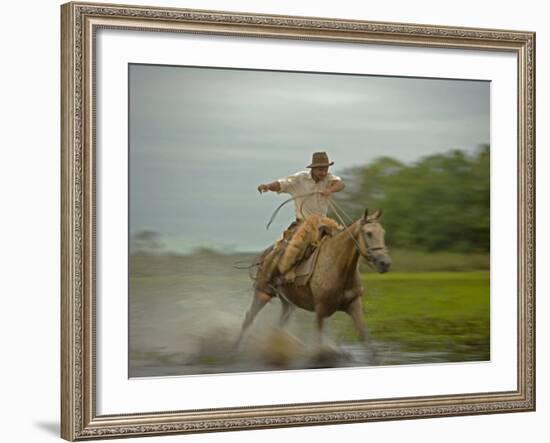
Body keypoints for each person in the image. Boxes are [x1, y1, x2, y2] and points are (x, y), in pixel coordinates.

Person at [254, 152, 345, 300]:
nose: (323, 172)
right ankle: (271, 284)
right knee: (284, 250)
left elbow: (340, 184)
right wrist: (268, 186)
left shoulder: (329, 179)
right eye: (320, 169)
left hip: (324, 225)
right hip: (302, 225)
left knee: (343, 246)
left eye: (325, 169)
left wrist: (330, 190)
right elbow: (281, 183)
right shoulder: (299, 179)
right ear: (313, 169)